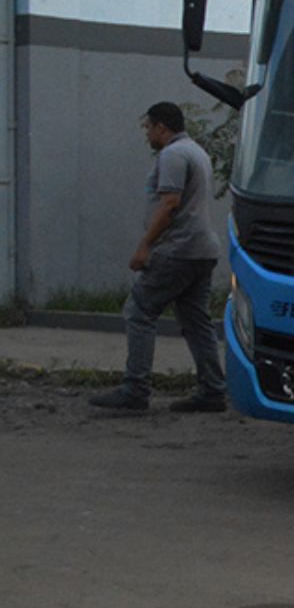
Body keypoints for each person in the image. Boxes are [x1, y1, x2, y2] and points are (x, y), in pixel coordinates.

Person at [88, 103, 226, 413]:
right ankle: (213, 390)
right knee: (196, 320)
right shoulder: (197, 151)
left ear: (161, 128)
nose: (147, 134)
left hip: (177, 249)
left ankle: (135, 389)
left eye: (148, 128)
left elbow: (169, 204)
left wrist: (144, 246)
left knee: (139, 310)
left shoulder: (173, 155)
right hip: (203, 250)